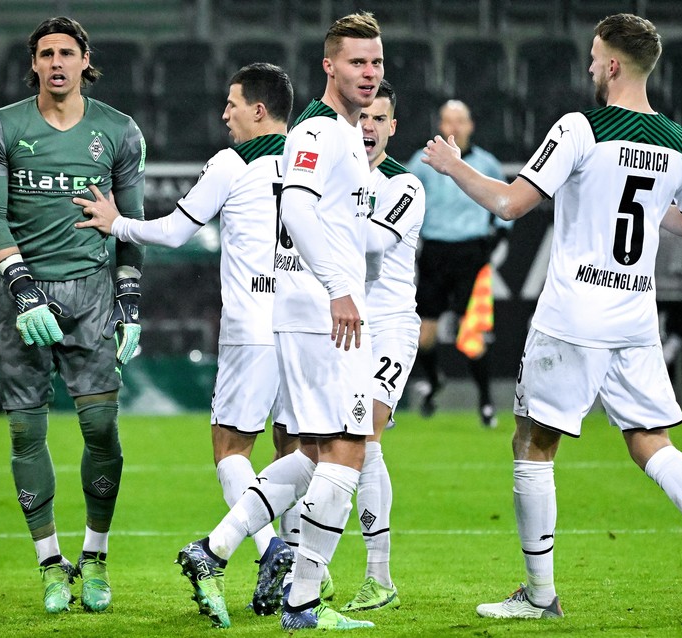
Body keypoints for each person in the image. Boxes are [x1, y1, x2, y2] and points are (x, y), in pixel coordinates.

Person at [421, 13, 682, 623]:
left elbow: (509, 202)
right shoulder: (679, 141)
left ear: (610, 64)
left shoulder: (581, 127)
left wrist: (452, 166)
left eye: (594, 56)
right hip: (633, 318)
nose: (589, 66)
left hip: (573, 314)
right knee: (650, 440)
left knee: (533, 444)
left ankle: (541, 596)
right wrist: (654, 213)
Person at [171, 12, 384, 631]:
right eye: (355, 62)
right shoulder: (321, 130)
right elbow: (295, 204)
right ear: (328, 65)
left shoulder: (336, 131)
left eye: (375, 63)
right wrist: (341, 289)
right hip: (323, 316)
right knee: (348, 454)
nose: (367, 74)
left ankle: (214, 550)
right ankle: (302, 602)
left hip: (306, 313)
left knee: (321, 452)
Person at [73, 63, 300, 616]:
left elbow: (176, 231)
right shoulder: (312, 156)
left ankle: (270, 551)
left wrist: (115, 223)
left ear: (260, 110)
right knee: (294, 451)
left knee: (231, 449)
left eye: (233, 103)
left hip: (252, 327)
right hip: (305, 326)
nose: (225, 113)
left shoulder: (232, 162)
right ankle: (298, 569)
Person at [0, 16, 146, 613]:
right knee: (26, 432)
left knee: (101, 429)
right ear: (34, 63)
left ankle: (95, 555)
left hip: (91, 297)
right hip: (22, 299)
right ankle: (51, 562)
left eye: (66, 53)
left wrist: (129, 301)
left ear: (84, 60)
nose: (55, 62)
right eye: (45, 53)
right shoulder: (0, 127)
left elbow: (131, 222)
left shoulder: (120, 131)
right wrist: (21, 289)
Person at [338, 79, 424, 614]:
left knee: (366, 434)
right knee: (319, 441)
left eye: (378, 118)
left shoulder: (405, 185)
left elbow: (371, 244)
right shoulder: (332, 175)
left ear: (392, 127)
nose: (367, 126)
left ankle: (379, 576)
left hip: (389, 325)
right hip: (339, 325)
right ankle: (304, 565)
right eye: (361, 116)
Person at [406, 100, 512, 427]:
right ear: (440, 125)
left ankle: (485, 401)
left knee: (472, 335)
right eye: (448, 121)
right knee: (424, 335)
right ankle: (435, 380)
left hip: (471, 255)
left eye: (460, 121)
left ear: (470, 125)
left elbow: (505, 203)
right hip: (435, 252)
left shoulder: (487, 164)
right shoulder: (423, 162)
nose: (454, 127)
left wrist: (495, 239)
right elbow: (404, 196)